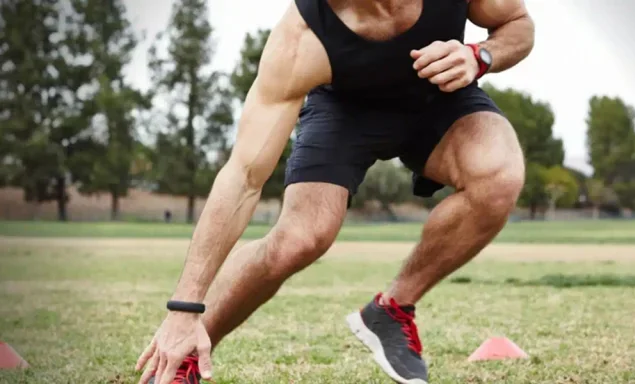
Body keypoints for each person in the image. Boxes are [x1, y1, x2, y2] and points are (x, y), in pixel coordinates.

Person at [135, 0, 534, 383]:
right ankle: (185, 355)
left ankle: (392, 310)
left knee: (499, 175)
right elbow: (243, 178)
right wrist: (184, 308)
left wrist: (479, 55)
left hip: (440, 95)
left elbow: (517, 23)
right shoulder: (302, 38)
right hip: (344, 110)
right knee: (299, 239)